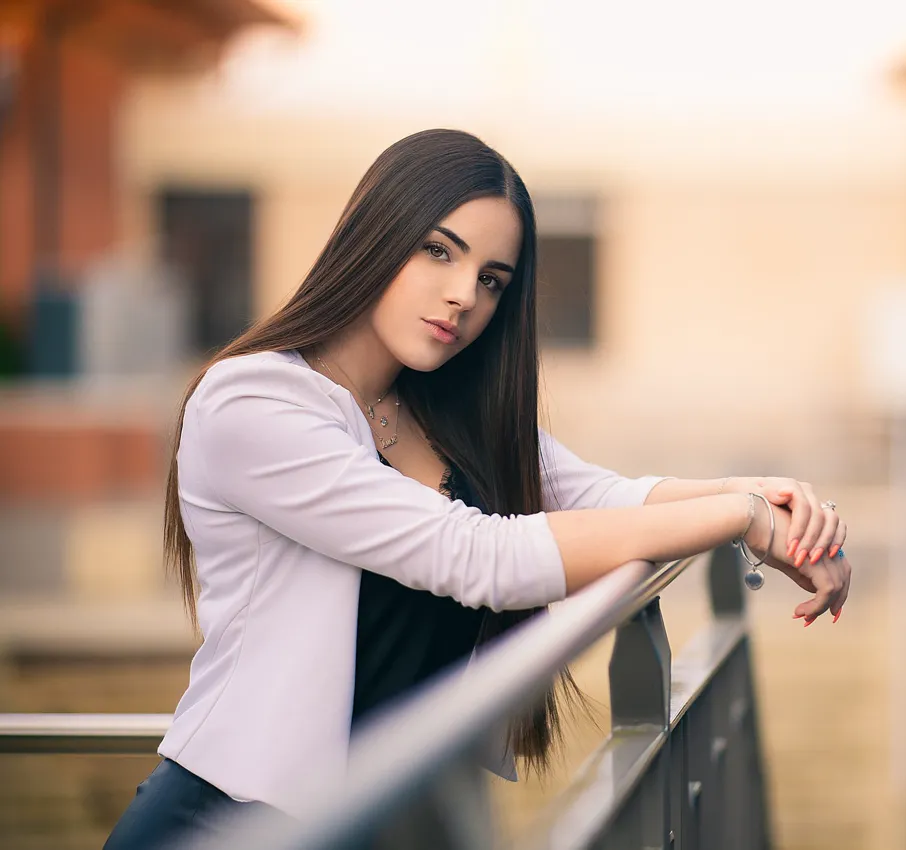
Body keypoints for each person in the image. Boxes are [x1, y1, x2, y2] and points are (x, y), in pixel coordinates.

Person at [103, 129, 851, 848]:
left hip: (393, 821)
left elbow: (600, 497)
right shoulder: (253, 402)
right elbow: (479, 557)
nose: (464, 295)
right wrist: (741, 518)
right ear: (375, 235)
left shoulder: (444, 409)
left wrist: (769, 497)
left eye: (492, 280)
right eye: (439, 251)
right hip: (233, 824)